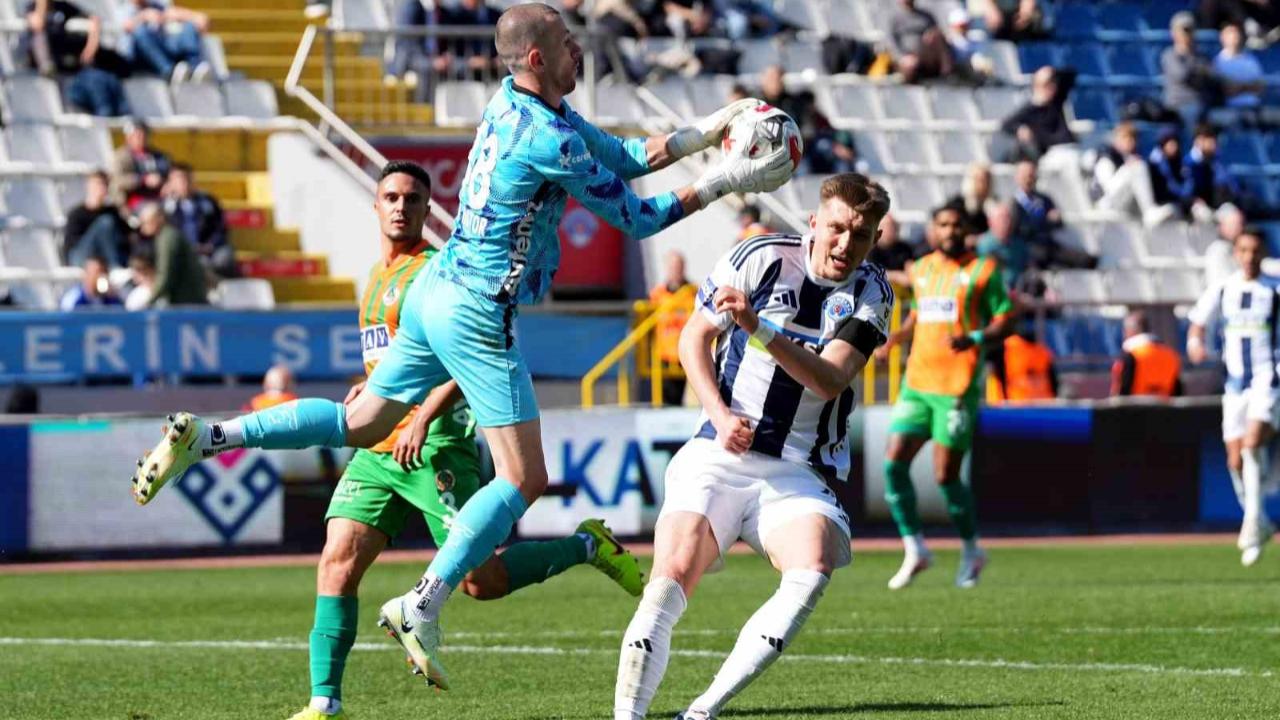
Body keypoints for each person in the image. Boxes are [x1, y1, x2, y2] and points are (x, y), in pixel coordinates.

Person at [129, 2, 794, 691]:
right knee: (523, 479)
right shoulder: (551, 139)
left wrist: (713, 129)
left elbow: (627, 156)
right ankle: (425, 600)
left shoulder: (511, 104)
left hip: (434, 292)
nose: (578, 51)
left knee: (360, 423)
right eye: (567, 44)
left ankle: (209, 435)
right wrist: (727, 180)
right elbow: (642, 215)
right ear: (537, 58)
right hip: (479, 309)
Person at [271, 163, 643, 720]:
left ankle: (587, 545)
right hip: (378, 450)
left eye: (413, 199)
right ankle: (324, 701)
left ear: (428, 210)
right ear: (375, 207)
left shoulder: (437, 272)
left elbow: (459, 355)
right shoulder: (376, 277)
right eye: (391, 197)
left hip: (435, 447)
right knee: (337, 563)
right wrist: (372, 388)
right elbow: (401, 358)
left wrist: (423, 415)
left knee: (481, 581)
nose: (400, 206)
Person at [613, 174, 893, 720]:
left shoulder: (872, 291)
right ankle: (629, 716)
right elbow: (694, 337)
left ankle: (702, 711)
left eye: (860, 235)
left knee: (811, 568)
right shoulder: (761, 256)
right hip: (718, 454)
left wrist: (758, 327)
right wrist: (718, 415)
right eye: (836, 228)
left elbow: (830, 380)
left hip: (795, 469)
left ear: (875, 239)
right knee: (672, 573)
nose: (845, 244)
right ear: (813, 222)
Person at [876, 204, 1015, 589]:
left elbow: (1007, 317)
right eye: (943, 225)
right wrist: (895, 340)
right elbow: (920, 314)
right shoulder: (922, 269)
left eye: (956, 225)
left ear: (966, 229)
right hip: (917, 384)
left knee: (945, 475)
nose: (950, 231)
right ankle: (915, 547)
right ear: (934, 230)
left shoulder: (983, 271)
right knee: (893, 464)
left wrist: (972, 338)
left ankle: (972, 549)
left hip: (956, 389)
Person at [1188, 229, 1277, 567]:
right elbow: (1198, 323)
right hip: (1235, 386)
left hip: (1269, 380)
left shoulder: (1274, 290)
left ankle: (1252, 525)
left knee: (1253, 443)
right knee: (1235, 461)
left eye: (1255, 250)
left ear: (1263, 252)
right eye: (1243, 250)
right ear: (1236, 253)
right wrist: (1196, 343)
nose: (1250, 256)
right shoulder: (1224, 288)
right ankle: (1261, 521)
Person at [22, 0, 130, 116]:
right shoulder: (32, 7)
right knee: (40, 37)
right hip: (45, 60)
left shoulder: (62, 6)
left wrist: (91, 47)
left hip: (69, 61)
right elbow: (38, 24)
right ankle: (47, 66)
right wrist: (42, 5)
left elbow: (94, 19)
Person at [757, 65, 855, 175]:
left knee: (831, 154)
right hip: (769, 150)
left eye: (778, 78)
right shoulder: (754, 104)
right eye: (772, 78)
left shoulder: (792, 103)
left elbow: (807, 129)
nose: (776, 82)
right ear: (763, 80)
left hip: (797, 147)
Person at [1011, 159, 1097, 270]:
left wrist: (1043, 223)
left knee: (1087, 260)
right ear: (1017, 178)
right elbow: (1023, 229)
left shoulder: (1044, 199)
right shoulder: (1014, 203)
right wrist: (1046, 222)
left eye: (1031, 175)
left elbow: (1058, 222)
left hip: (1049, 245)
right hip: (1029, 248)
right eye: (1025, 176)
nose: (1029, 179)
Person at [1091, 122, 1178, 229]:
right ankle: (1149, 212)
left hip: (1122, 203)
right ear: (1117, 139)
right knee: (1137, 166)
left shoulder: (1126, 157)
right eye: (1126, 138)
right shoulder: (1107, 157)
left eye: (1133, 139)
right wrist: (1129, 168)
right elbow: (1107, 188)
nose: (1131, 142)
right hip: (1105, 204)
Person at [162, 163, 234, 278]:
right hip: (182, 252)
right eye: (179, 181)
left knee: (224, 258)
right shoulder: (166, 207)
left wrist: (210, 245)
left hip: (209, 249)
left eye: (187, 180)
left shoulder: (208, 202)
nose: (183, 185)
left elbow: (220, 227)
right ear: (170, 184)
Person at [995, 66, 1076, 162]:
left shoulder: (1057, 101)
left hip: (1066, 148)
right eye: (1046, 85)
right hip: (1048, 155)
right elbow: (1006, 125)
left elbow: (1071, 75)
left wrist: (1048, 72)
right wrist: (1019, 129)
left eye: (1052, 83)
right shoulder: (1029, 109)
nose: (1051, 88)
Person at [133, 202, 208, 306]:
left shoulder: (167, 238)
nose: (142, 228)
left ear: (159, 219)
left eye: (146, 222)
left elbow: (165, 274)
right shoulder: (166, 235)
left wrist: (149, 302)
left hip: (187, 301)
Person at [648, 250, 696, 406]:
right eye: (672, 267)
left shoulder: (693, 292)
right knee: (664, 399)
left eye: (679, 266)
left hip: (686, 353)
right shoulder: (658, 294)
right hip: (664, 355)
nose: (676, 270)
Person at [118, 0, 209, 81]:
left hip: (163, 49)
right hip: (137, 57)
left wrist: (189, 16)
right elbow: (125, 27)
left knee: (189, 27)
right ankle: (169, 72)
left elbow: (171, 13)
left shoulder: (156, 5)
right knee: (141, 33)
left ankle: (194, 65)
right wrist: (142, 17)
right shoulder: (124, 6)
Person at [1162, 11, 1215, 132]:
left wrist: (1199, 74)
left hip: (1202, 103)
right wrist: (1200, 73)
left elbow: (1211, 77)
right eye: (1184, 30)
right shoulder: (1169, 55)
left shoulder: (1202, 56)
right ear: (1174, 33)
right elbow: (1183, 75)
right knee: (1194, 113)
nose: (1188, 34)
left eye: (1191, 30)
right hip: (1179, 105)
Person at [64, 170, 129, 268]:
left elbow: (126, 235)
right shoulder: (76, 214)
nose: (102, 188)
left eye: (105, 184)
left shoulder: (112, 211)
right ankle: (115, 266)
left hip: (102, 256)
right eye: (98, 184)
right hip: (81, 256)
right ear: (88, 186)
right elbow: (73, 245)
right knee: (106, 223)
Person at [1111, 310, 1182, 398]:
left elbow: (1122, 392)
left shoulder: (1130, 356)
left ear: (1130, 331)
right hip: (1164, 409)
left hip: (1135, 409)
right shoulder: (1171, 355)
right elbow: (1178, 392)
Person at [987, 321, 1056, 403]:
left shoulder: (1042, 352)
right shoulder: (1005, 349)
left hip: (1037, 406)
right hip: (1012, 406)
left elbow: (1053, 380)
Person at [1185, 123, 1242, 221]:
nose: (1215, 145)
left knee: (1232, 213)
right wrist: (1192, 199)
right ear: (1199, 141)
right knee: (1201, 212)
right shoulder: (1187, 163)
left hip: (1217, 205)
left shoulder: (1217, 162)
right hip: (1196, 208)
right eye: (1211, 140)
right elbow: (1185, 191)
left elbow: (1232, 186)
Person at [890, 0, 954, 83]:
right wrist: (902, 57)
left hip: (925, 55)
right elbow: (891, 40)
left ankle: (947, 74)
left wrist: (930, 34)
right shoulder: (895, 19)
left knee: (937, 36)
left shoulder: (926, 16)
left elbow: (936, 31)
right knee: (910, 70)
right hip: (907, 59)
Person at [112, 119, 172, 208]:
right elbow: (117, 180)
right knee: (153, 211)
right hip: (134, 200)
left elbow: (171, 174)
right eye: (138, 135)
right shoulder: (120, 157)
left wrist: (168, 185)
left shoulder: (159, 156)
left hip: (160, 198)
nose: (142, 138)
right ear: (128, 137)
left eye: (145, 135)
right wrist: (143, 180)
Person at [1212, 22, 1265, 113]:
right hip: (1228, 109)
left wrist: (1239, 87)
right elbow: (1226, 90)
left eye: (1236, 32)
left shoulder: (1251, 60)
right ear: (1222, 37)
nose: (1234, 36)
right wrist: (1248, 87)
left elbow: (1260, 87)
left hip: (1254, 108)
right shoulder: (1217, 62)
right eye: (1230, 32)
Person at [975, 201, 1027, 291]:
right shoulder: (984, 245)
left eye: (1009, 218)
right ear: (991, 222)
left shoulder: (1019, 244)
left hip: (1019, 291)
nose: (1006, 222)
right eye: (1001, 218)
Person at [945, 162, 995, 238]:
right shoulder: (958, 205)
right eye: (980, 180)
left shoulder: (994, 205)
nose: (984, 184)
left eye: (987, 180)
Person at [866, 212, 914, 287]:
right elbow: (870, 273)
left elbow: (911, 270)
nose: (889, 230)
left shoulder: (905, 248)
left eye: (892, 226)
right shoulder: (869, 250)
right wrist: (896, 276)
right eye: (885, 226)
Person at [1205, 205, 1246, 287]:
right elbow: (1219, 284)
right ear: (1221, 226)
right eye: (1232, 225)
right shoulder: (1217, 250)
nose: (1238, 229)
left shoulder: (1239, 247)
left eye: (1240, 224)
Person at [979, 0, 1046, 41]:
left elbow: (1027, 7)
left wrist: (1026, 9)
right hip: (998, 23)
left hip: (1021, 24)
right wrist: (989, 8)